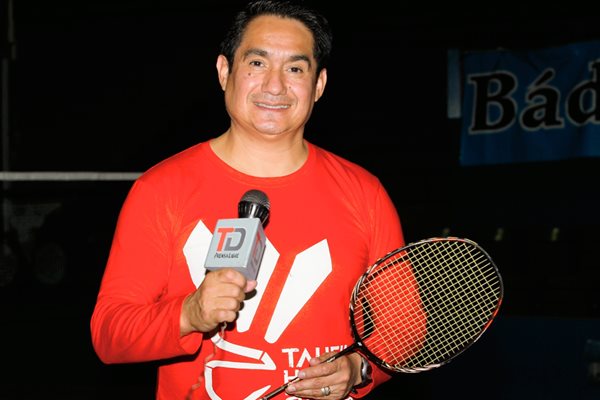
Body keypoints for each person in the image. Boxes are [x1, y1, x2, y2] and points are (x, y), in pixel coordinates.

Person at [91, 1, 423, 399]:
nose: (275, 86)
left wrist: (359, 368)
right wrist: (189, 313)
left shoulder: (364, 193)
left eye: (296, 69)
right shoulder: (161, 189)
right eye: (257, 64)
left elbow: (405, 327)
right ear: (224, 72)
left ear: (318, 86)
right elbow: (109, 335)